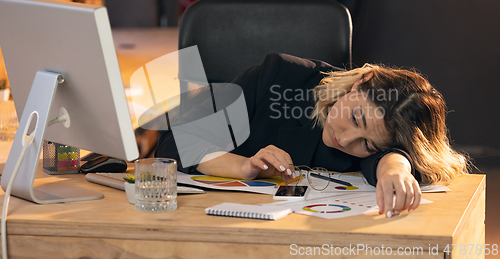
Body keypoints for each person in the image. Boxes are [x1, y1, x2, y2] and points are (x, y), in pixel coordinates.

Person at [155, 53, 469, 218]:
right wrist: (243, 167)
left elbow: (388, 159)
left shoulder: (376, 142)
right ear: (362, 82)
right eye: (355, 117)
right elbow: (174, 144)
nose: (346, 141)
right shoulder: (278, 77)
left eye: (368, 143)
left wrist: (395, 167)